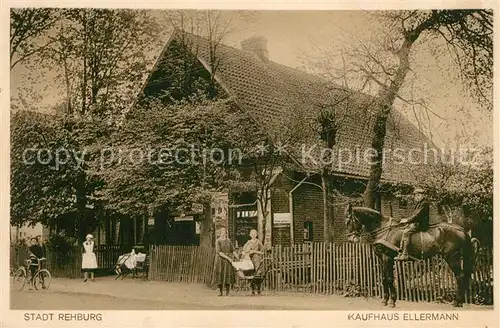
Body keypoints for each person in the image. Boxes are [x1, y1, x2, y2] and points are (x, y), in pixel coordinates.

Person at [395, 187, 430, 261]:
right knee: (404, 229)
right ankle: (401, 251)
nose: (416, 197)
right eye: (416, 195)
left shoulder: (424, 203)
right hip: (417, 223)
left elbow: (417, 215)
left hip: (421, 224)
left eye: (418, 195)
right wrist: (406, 220)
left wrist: (407, 220)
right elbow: (414, 215)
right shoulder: (419, 204)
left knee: (406, 232)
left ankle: (405, 254)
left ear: (422, 196)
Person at [214, 227, 237, 296]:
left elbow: (233, 250)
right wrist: (228, 258)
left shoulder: (228, 241)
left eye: (225, 232)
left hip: (228, 261)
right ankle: (220, 292)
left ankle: (228, 292)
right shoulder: (218, 241)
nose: (223, 234)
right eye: (222, 232)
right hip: (220, 260)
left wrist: (237, 257)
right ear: (220, 233)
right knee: (220, 275)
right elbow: (219, 252)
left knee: (228, 275)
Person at [242, 229, 265, 295]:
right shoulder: (248, 242)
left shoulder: (258, 242)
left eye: (254, 234)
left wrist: (255, 251)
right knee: (250, 274)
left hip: (257, 259)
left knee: (258, 274)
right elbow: (243, 251)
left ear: (256, 235)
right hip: (250, 259)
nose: (253, 235)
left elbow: (262, 252)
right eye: (252, 234)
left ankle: (258, 289)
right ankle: (252, 290)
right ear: (250, 235)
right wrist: (247, 253)